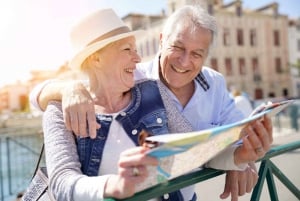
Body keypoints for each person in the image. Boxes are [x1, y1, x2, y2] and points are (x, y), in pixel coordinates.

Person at [30, 6, 273, 201]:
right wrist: (115, 186)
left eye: (197, 54)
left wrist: (240, 157)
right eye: (127, 49)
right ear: (96, 58)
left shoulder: (150, 89)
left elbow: (198, 149)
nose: (137, 58)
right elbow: (62, 181)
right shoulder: (59, 108)